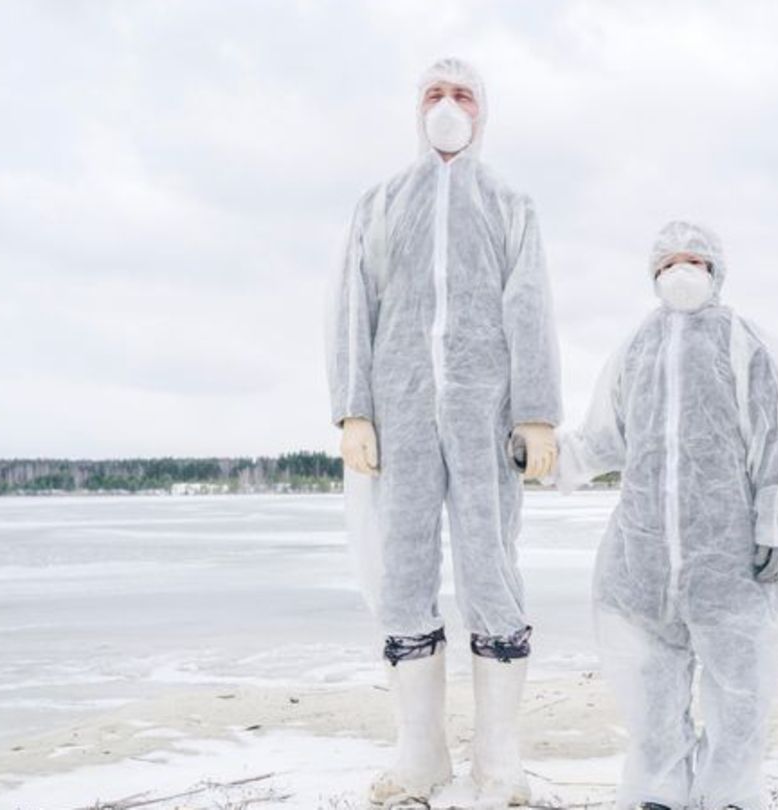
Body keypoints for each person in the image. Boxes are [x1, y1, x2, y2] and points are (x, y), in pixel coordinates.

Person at [325, 57, 561, 807]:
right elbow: (350, 307)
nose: (447, 105)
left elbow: (531, 307)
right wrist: (353, 409)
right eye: (434, 93)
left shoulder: (508, 203)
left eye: (462, 94)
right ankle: (421, 756)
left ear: (482, 111)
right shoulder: (382, 203)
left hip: (485, 418)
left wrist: (537, 412)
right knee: (403, 571)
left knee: (491, 568)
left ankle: (500, 763)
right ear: (415, 108)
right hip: (400, 420)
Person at [556, 221, 778, 810]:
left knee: (740, 693)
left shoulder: (746, 344)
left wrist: (776, 523)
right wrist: (547, 457)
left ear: (715, 270)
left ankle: (728, 795)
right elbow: (604, 438)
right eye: (669, 261)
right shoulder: (636, 347)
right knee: (650, 692)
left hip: (729, 562)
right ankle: (661, 792)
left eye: (693, 260)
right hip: (643, 560)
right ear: (653, 274)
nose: (681, 271)